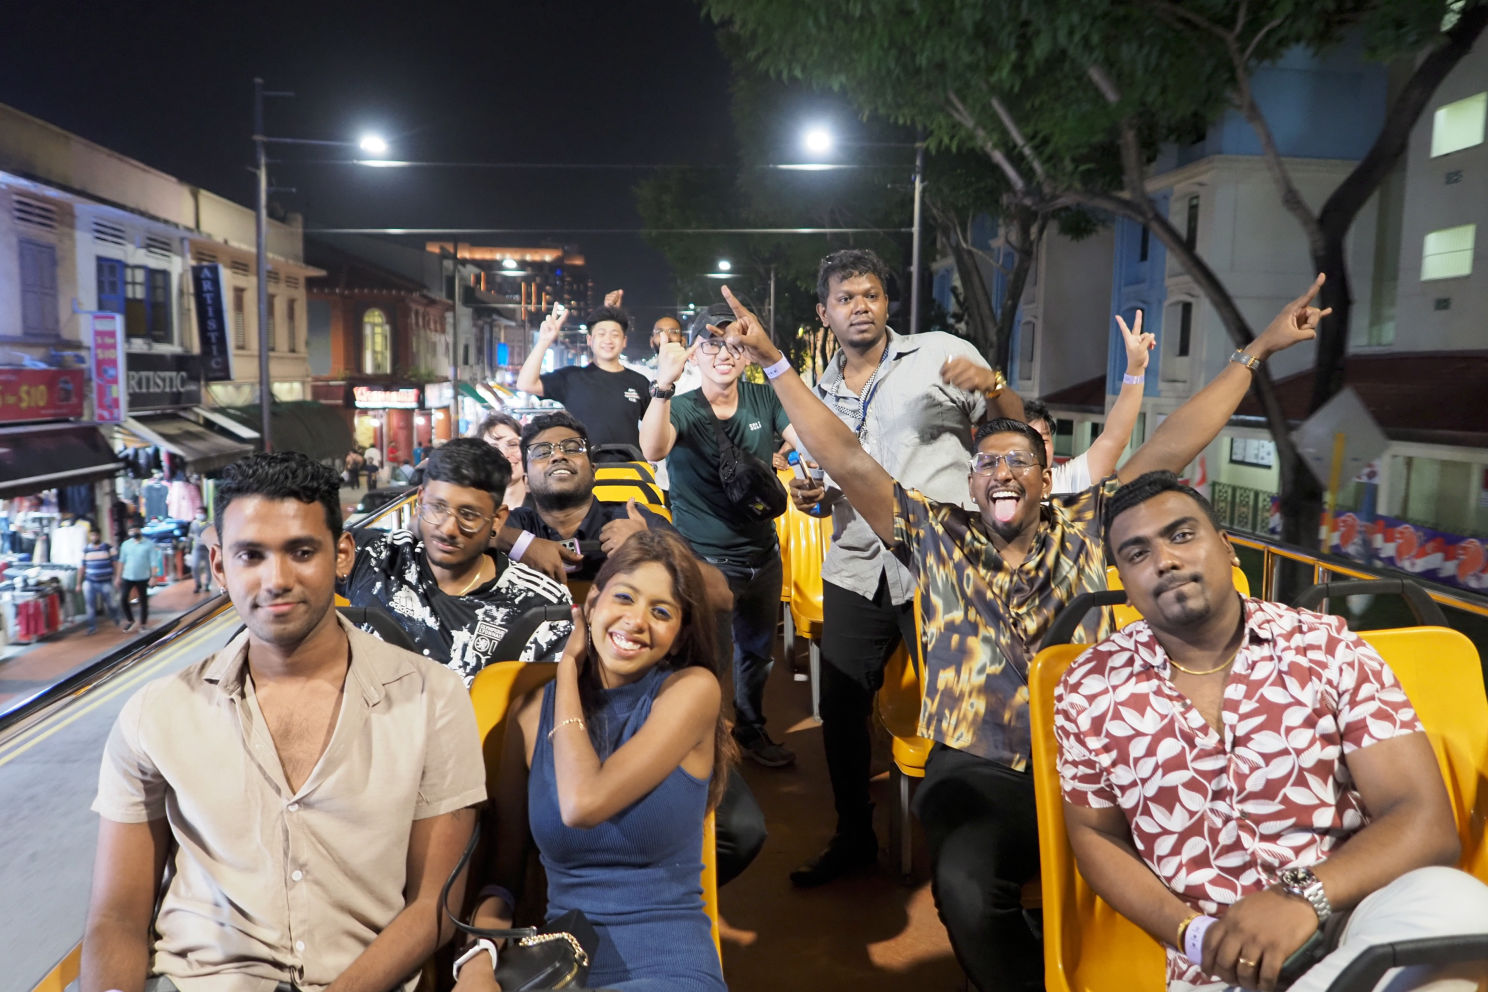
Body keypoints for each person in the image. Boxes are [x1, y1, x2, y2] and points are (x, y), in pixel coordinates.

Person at [718, 275, 1330, 990]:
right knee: (969, 891)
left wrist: (1257, 350)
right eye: (986, 463)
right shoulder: (935, 534)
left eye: (1019, 461)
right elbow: (848, 460)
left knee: (1213, 857)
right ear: (970, 483)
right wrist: (775, 363)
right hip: (980, 762)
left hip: (1097, 759)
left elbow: (1171, 444)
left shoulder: (1087, 531)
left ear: (1047, 480)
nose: (1001, 471)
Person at [1055, 471, 1488, 992]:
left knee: (1460, 904)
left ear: (1227, 547)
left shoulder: (1327, 651)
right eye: (1137, 553)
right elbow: (1094, 834)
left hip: (1355, 919)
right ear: (1123, 579)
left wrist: (1301, 898)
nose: (1165, 561)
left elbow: (1424, 820)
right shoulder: (1089, 687)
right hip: (1218, 961)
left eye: (1182, 535)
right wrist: (1197, 938)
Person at [79, 451, 486, 992]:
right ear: (221, 567)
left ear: (342, 555)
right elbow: (117, 917)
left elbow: (434, 905)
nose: (276, 579)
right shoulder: (156, 713)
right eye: (251, 555)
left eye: (301, 551)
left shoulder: (432, 698)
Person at [782, 248, 1026, 887]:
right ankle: (854, 835)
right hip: (857, 565)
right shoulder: (815, 393)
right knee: (840, 708)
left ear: (887, 302)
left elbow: (1012, 438)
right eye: (845, 298)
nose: (859, 306)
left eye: (870, 295)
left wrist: (995, 389)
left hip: (945, 561)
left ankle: (967, 844)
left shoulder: (939, 353)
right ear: (824, 311)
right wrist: (811, 498)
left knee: (964, 706)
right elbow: (821, 482)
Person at [458, 530, 728, 992]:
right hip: (564, 972)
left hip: (668, 968)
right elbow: (502, 880)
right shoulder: (527, 719)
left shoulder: (692, 691)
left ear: (680, 634)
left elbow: (582, 803)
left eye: (661, 612)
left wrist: (566, 670)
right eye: (625, 597)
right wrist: (477, 961)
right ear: (592, 603)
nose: (637, 621)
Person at [507, 410, 765, 887]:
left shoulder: (633, 517)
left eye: (571, 447)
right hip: (540, 706)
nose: (558, 455)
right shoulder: (506, 529)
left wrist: (650, 539)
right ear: (525, 470)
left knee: (740, 830)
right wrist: (520, 543)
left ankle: (640, 886)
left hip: (640, 701)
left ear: (592, 466)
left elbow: (721, 595)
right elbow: (434, 527)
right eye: (541, 451)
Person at [640, 301, 806, 768]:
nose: (724, 354)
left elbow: (806, 442)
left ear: (748, 354)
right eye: (712, 344)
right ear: (694, 352)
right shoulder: (683, 407)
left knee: (757, 654)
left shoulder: (763, 400)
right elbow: (653, 447)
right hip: (706, 560)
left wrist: (806, 469)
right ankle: (702, 743)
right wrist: (663, 384)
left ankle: (751, 731)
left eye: (735, 345)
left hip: (762, 554)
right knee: (706, 658)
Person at [341, 437, 572, 683]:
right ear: (420, 501)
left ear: (497, 519)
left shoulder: (541, 606)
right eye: (437, 507)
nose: (449, 528)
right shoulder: (373, 557)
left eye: (468, 514)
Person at [1025, 310, 1154, 494]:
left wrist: (1136, 368)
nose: (1038, 448)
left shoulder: (1067, 481)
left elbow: (1114, 438)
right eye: (1028, 440)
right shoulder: (992, 490)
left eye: (1043, 440)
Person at [516, 303, 651, 455]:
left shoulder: (639, 382)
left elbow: (655, 428)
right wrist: (543, 342)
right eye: (601, 334)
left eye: (615, 334)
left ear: (624, 341)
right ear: (589, 339)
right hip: (582, 471)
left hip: (630, 470)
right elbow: (526, 384)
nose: (608, 340)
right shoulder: (571, 377)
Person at [476, 411, 529, 510]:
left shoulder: (545, 510)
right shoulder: (473, 510)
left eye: (513, 444)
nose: (504, 454)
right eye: (494, 448)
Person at [116, 523, 162, 633]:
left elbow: (153, 562)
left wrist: (153, 576)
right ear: (128, 533)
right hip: (128, 576)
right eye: (131, 531)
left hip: (143, 576)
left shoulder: (149, 544)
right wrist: (118, 576)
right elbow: (121, 561)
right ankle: (130, 620)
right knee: (123, 599)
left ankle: (143, 624)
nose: (134, 533)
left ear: (140, 531)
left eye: (136, 530)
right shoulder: (125, 545)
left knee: (143, 600)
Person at [79, 527, 122, 634]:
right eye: (92, 535)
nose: (94, 537)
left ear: (99, 535)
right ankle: (92, 627)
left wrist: (117, 577)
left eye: (96, 535)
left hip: (106, 581)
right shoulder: (86, 550)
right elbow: (82, 567)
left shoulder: (108, 548)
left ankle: (116, 618)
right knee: (90, 605)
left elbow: (115, 564)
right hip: (90, 581)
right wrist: (78, 583)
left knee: (111, 603)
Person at [187, 508, 212, 594]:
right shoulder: (194, 524)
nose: (199, 514)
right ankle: (198, 584)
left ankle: (207, 584)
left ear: (205, 513)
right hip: (197, 549)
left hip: (208, 550)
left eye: (201, 512)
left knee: (209, 568)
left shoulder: (210, 524)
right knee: (195, 566)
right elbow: (190, 536)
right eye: (198, 512)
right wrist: (188, 547)